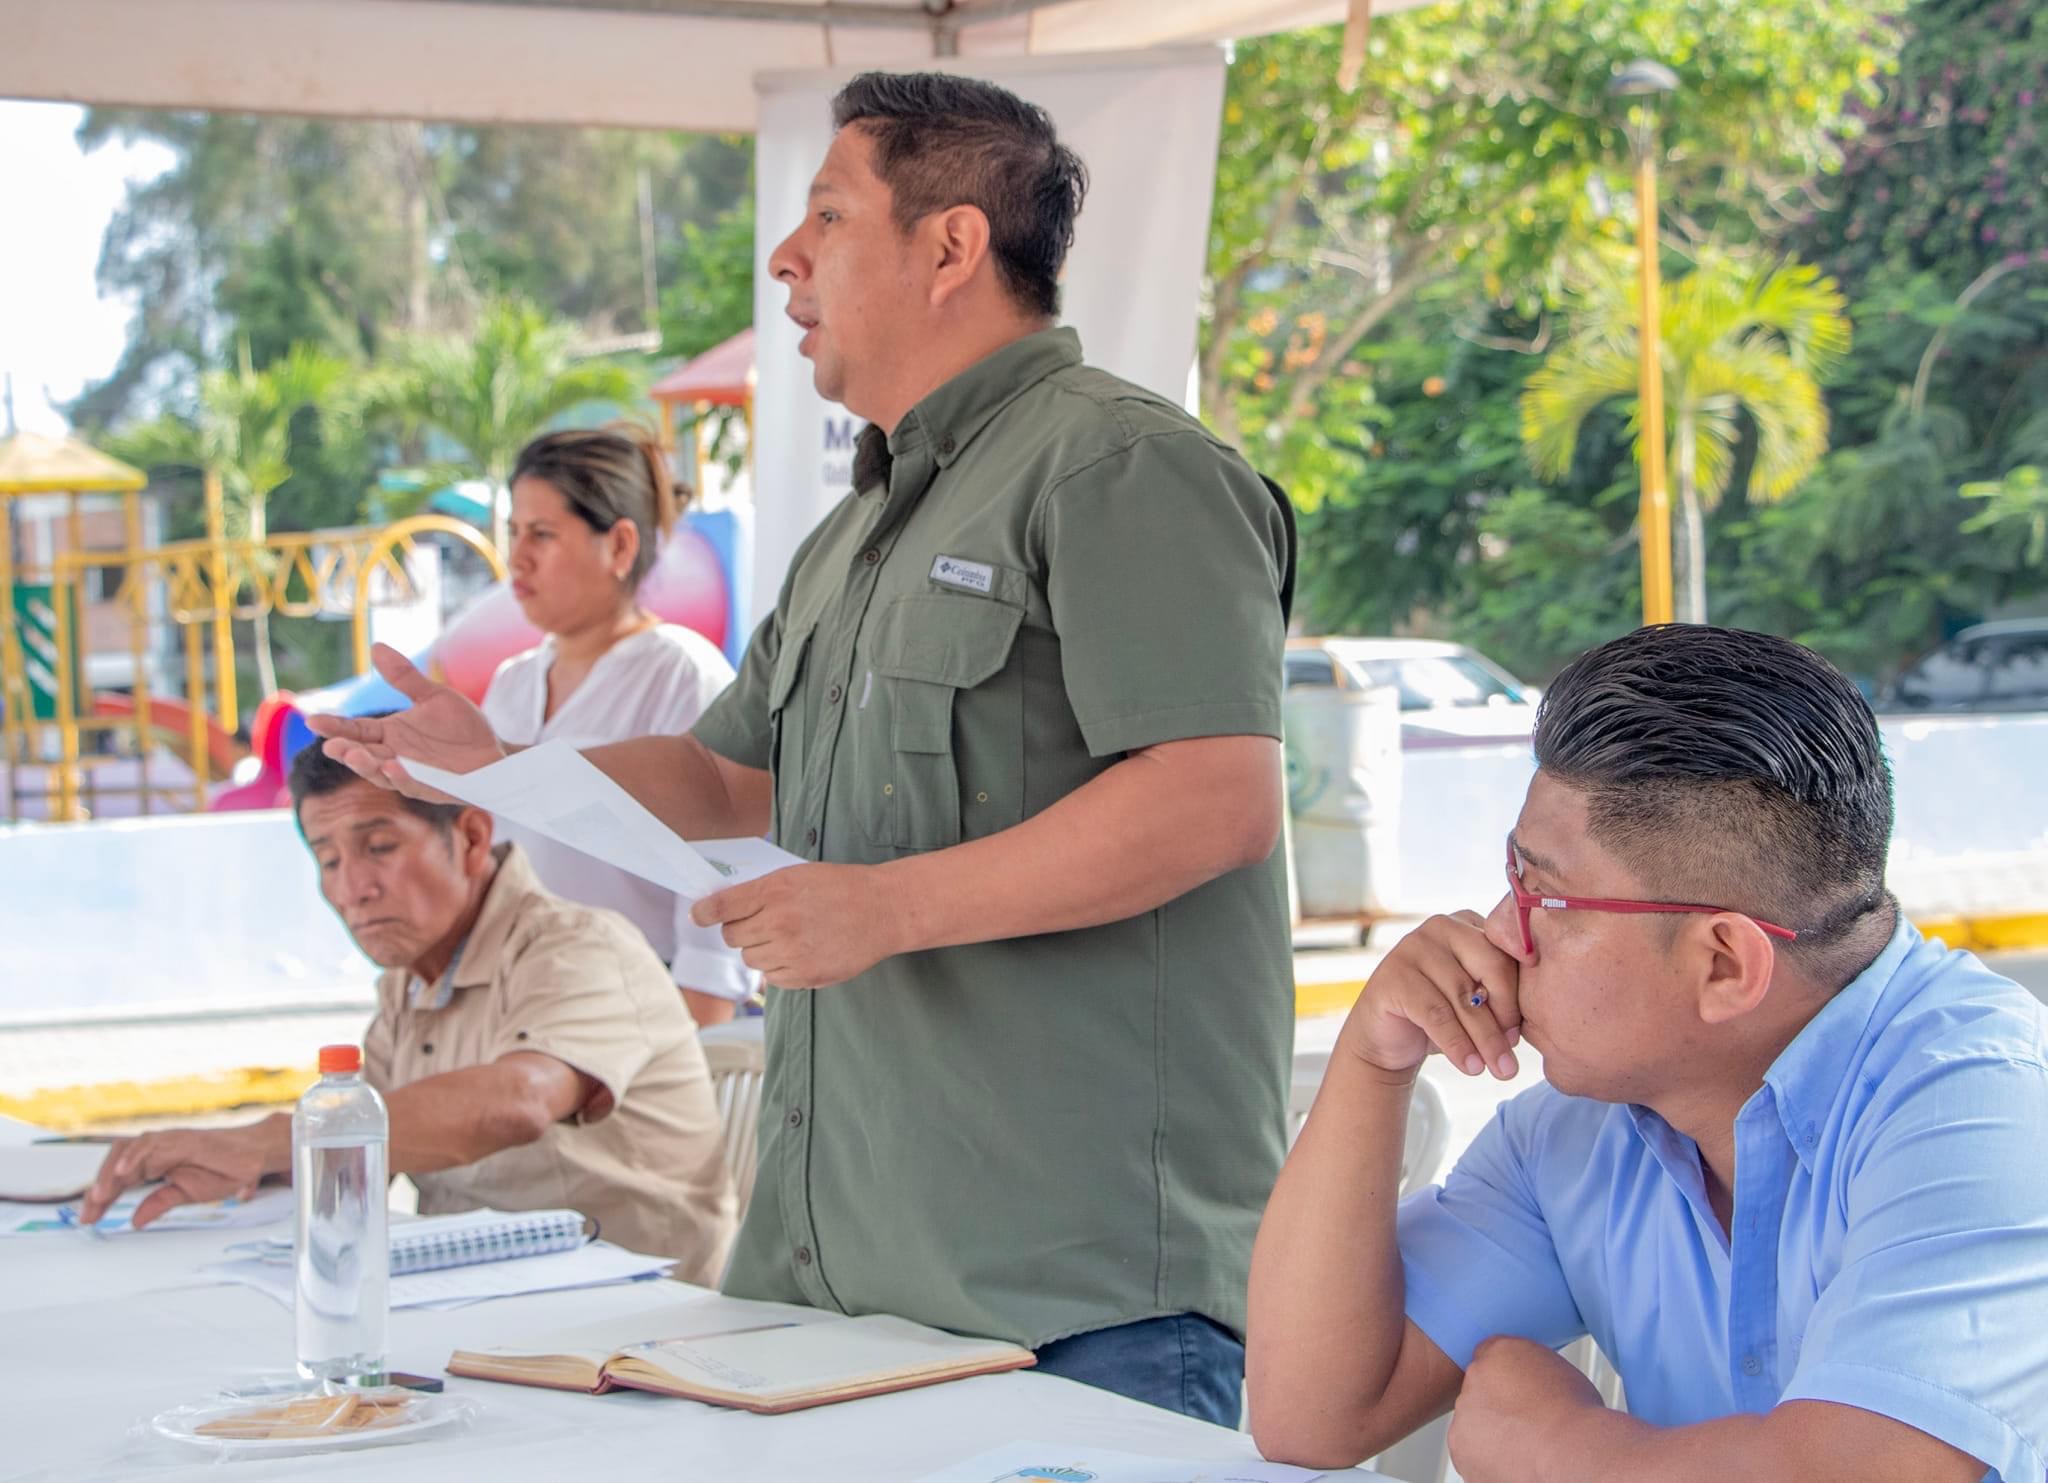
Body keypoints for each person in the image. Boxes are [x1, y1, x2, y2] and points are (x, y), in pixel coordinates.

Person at [312, 70, 1293, 1423]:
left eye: (827, 215)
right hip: (836, 1285)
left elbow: (1212, 798)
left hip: (1074, 1296)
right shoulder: (855, 532)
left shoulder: (1119, 466)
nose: (785, 256)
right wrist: (494, 769)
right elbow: (725, 777)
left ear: (950, 247)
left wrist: (883, 906)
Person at [1247, 625, 2048, 1483]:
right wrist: (1375, 1059)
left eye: (1545, 895)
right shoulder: (1578, 1132)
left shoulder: (1982, 1100)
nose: (1501, 931)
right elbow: (1313, 1414)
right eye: (1513, 878)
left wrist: (1557, 1451)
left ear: (1723, 964)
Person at [81, 740, 738, 1285]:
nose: (352, 888)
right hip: (486, 1304)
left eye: (379, 847)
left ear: (471, 837)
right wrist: (231, 1169)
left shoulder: (580, 947)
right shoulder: (409, 982)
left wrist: (265, 1140)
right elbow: (363, 1154)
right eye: (328, 859)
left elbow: (519, 1100)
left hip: (633, 1319)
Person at [483, 424, 755, 1029]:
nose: (518, 558)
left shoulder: (680, 673)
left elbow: (715, 871)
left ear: (620, 545)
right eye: (514, 533)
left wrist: (699, 1034)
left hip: (648, 1006)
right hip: (525, 1000)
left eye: (543, 534)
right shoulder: (511, 684)